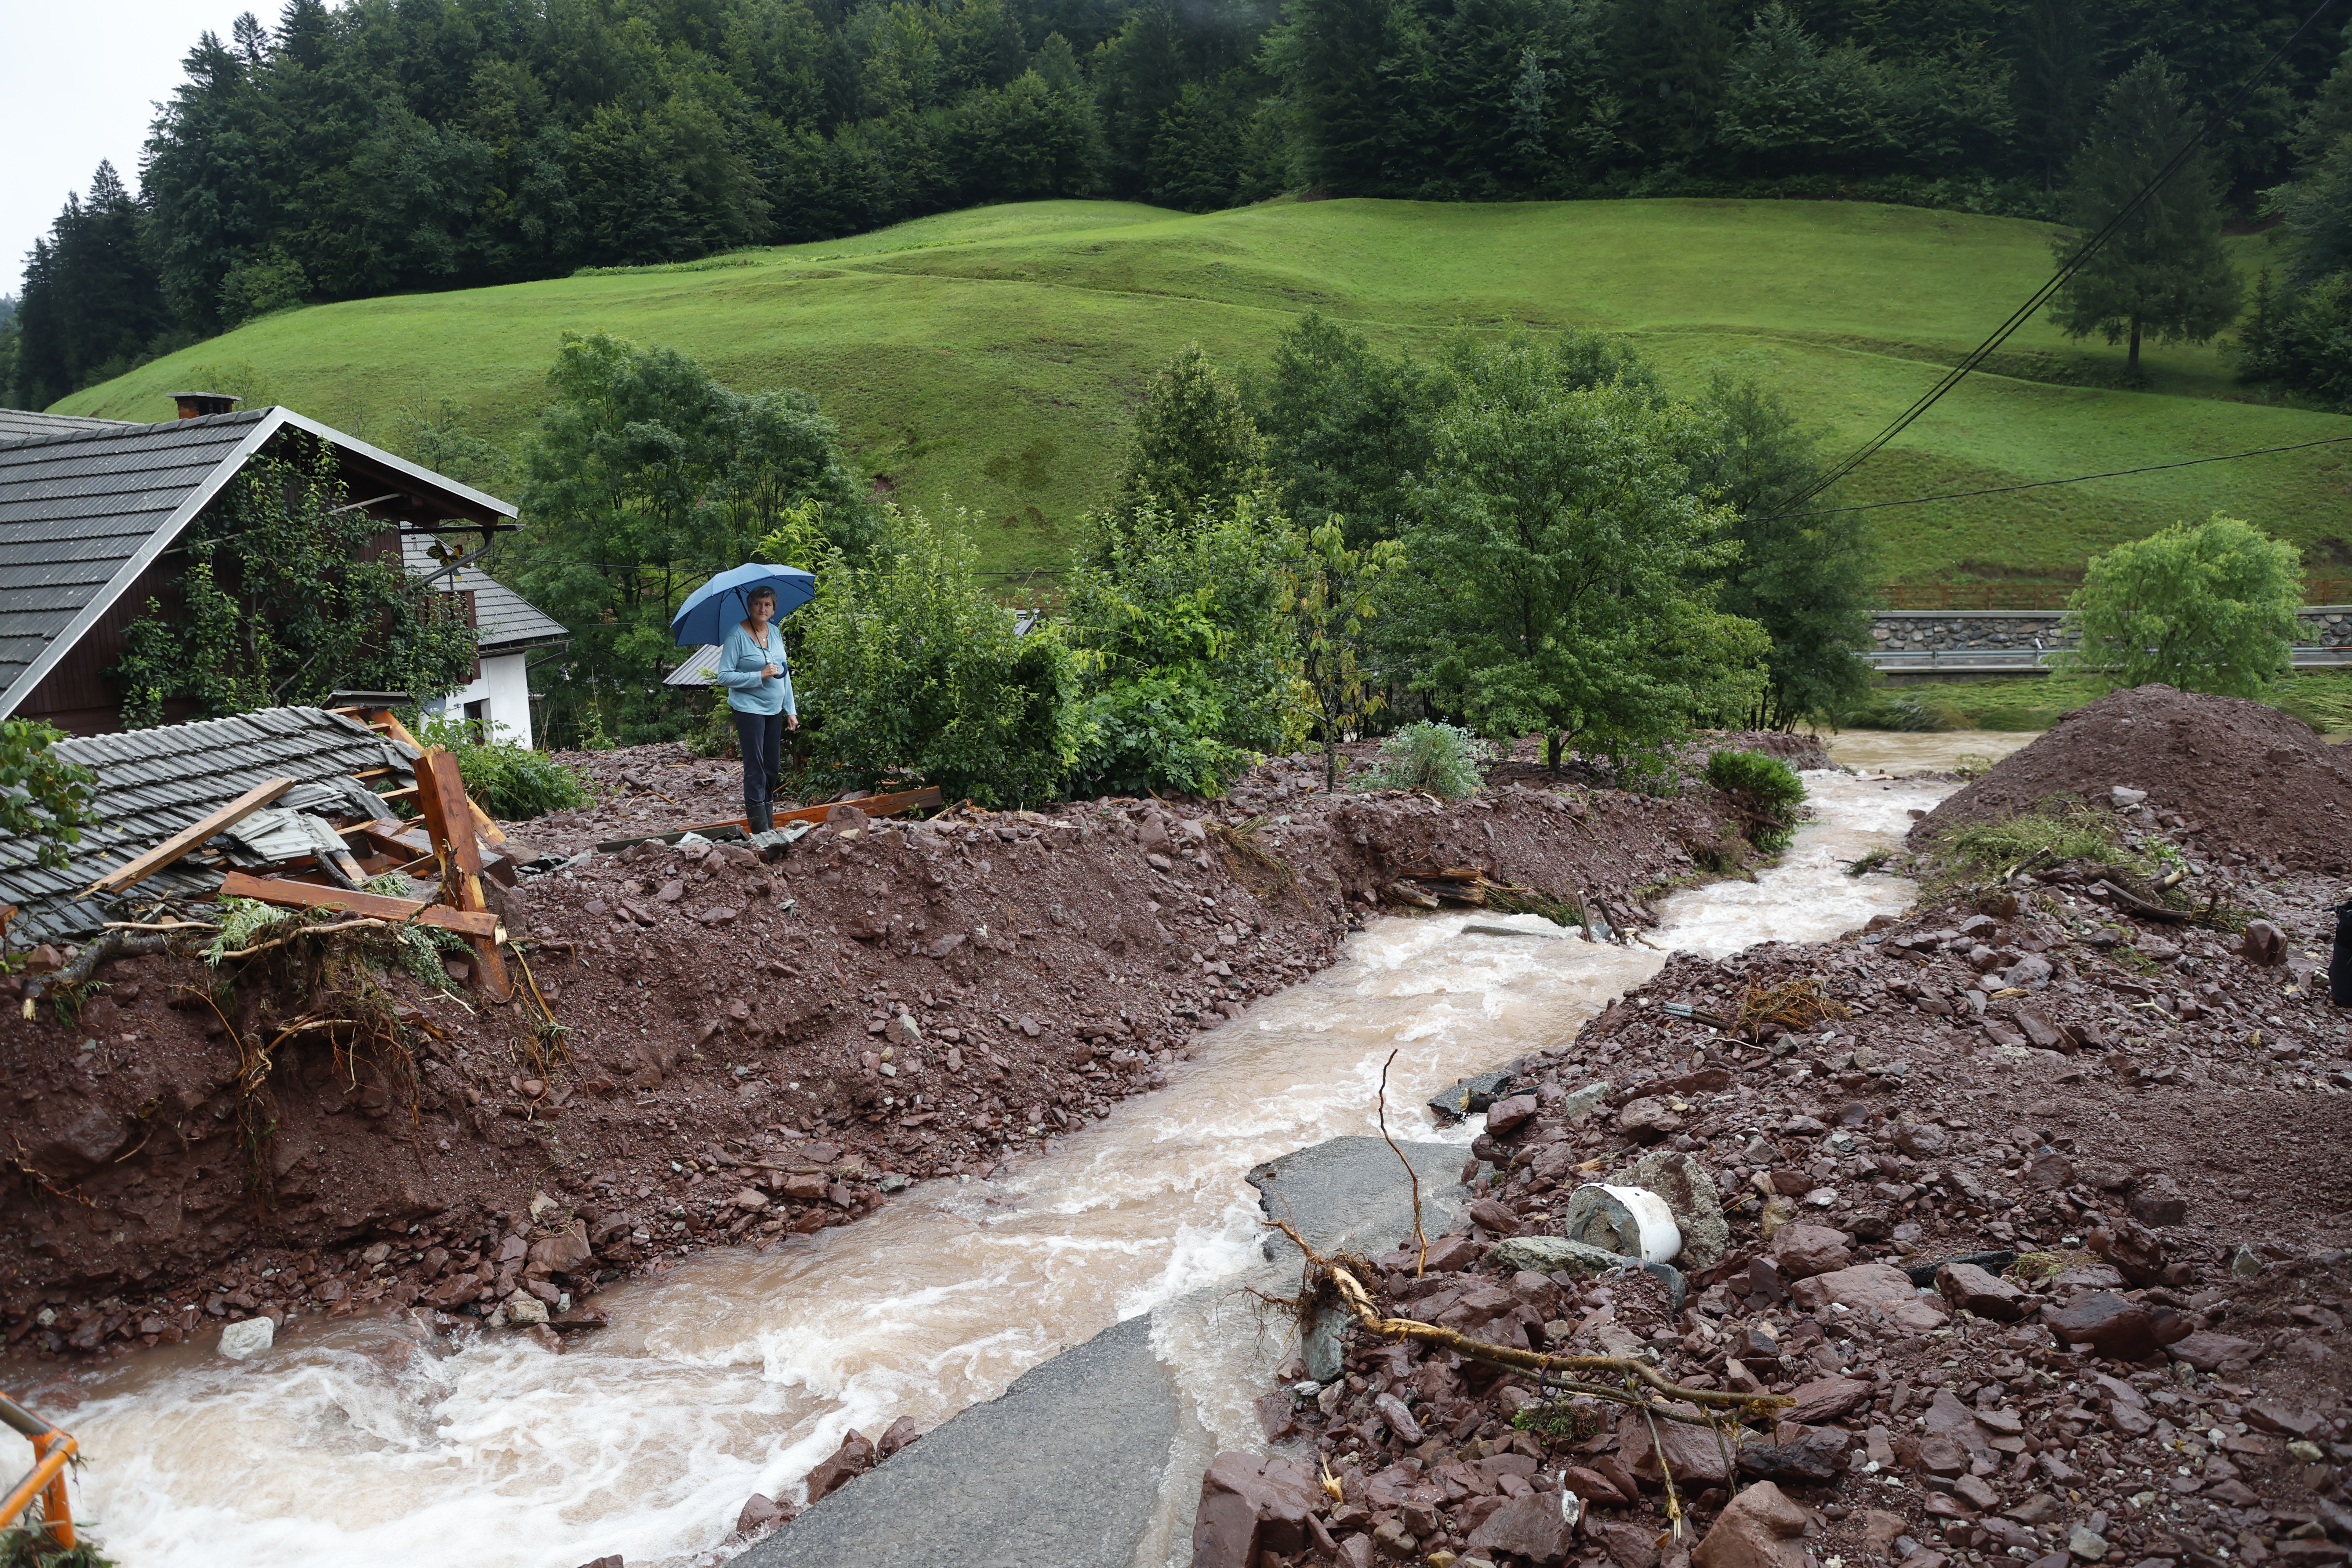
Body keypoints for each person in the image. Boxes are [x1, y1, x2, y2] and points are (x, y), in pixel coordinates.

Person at [713, 585, 798, 832]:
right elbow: (724, 676)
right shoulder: (736, 635)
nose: (763, 609)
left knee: (772, 766)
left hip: (774, 709)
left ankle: (769, 827)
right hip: (749, 708)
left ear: (774, 609)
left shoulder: (775, 632)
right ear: (750, 606)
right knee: (756, 767)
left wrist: (790, 709)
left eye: (768, 604)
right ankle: (761, 830)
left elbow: (784, 673)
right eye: (758, 604)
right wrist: (758, 675)